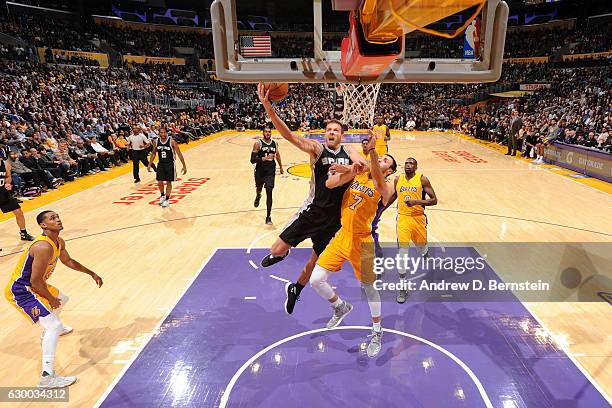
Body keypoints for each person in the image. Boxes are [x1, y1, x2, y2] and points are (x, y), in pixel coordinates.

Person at [256, 83, 367, 315]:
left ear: (342, 135)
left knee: (315, 263)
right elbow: (288, 136)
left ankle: (296, 288)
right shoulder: (317, 149)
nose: (331, 133)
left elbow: (363, 166)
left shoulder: (350, 151)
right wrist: (268, 107)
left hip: (334, 220)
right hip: (313, 211)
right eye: (329, 130)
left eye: (336, 130)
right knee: (275, 250)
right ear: (324, 134)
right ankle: (283, 253)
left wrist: (349, 169)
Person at [310, 134, 396, 357]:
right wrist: (348, 170)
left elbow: (378, 181)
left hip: (362, 241)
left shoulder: (386, 186)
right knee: (316, 279)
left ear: (390, 170)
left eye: (387, 161)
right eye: (382, 158)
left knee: (369, 288)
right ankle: (340, 306)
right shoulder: (359, 174)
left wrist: (375, 152)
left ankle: (377, 331)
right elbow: (330, 183)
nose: (382, 161)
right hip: (342, 236)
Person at [4, 210, 103, 388]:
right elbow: (34, 282)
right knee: (54, 324)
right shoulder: (43, 246)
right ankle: (47, 377)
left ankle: (50, 331)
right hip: (21, 290)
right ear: (43, 225)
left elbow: (68, 261)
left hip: (35, 284)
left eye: (57, 217)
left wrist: (91, 273)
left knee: (63, 298)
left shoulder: (58, 242)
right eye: (52, 218)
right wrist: (50, 298)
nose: (57, 219)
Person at [395, 157, 438, 303]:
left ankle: (425, 254)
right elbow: (393, 197)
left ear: (416, 166)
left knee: (421, 249)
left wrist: (416, 202)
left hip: (418, 218)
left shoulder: (422, 179)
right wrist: (380, 210)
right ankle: (403, 287)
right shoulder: (398, 180)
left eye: (411, 163)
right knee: (402, 254)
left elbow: (434, 200)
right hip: (402, 219)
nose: (408, 165)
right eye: (406, 163)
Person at [251, 127, 283, 224]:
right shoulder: (258, 144)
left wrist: (281, 166)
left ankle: (268, 216)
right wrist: (264, 159)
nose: (268, 133)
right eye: (266, 132)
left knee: (269, 191)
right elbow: (252, 160)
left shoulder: (275, 143)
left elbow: (277, 155)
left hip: (271, 170)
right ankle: (258, 195)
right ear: (263, 133)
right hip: (260, 170)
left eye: (269, 132)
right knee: (259, 187)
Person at [147, 128, 187, 207]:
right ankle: (162, 196)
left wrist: (184, 166)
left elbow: (179, 154)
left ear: (167, 133)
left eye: (164, 132)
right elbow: (154, 153)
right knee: (159, 181)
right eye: (161, 133)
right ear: (159, 134)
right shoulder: (156, 142)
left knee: (169, 182)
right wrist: (149, 164)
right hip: (161, 163)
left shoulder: (172, 141)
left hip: (170, 163)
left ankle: (167, 200)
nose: (163, 134)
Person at [0, 154, 34, 241]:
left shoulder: (6, 164)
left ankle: (24, 234)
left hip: (3, 192)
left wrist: (7, 184)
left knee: (19, 212)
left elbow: (8, 177)